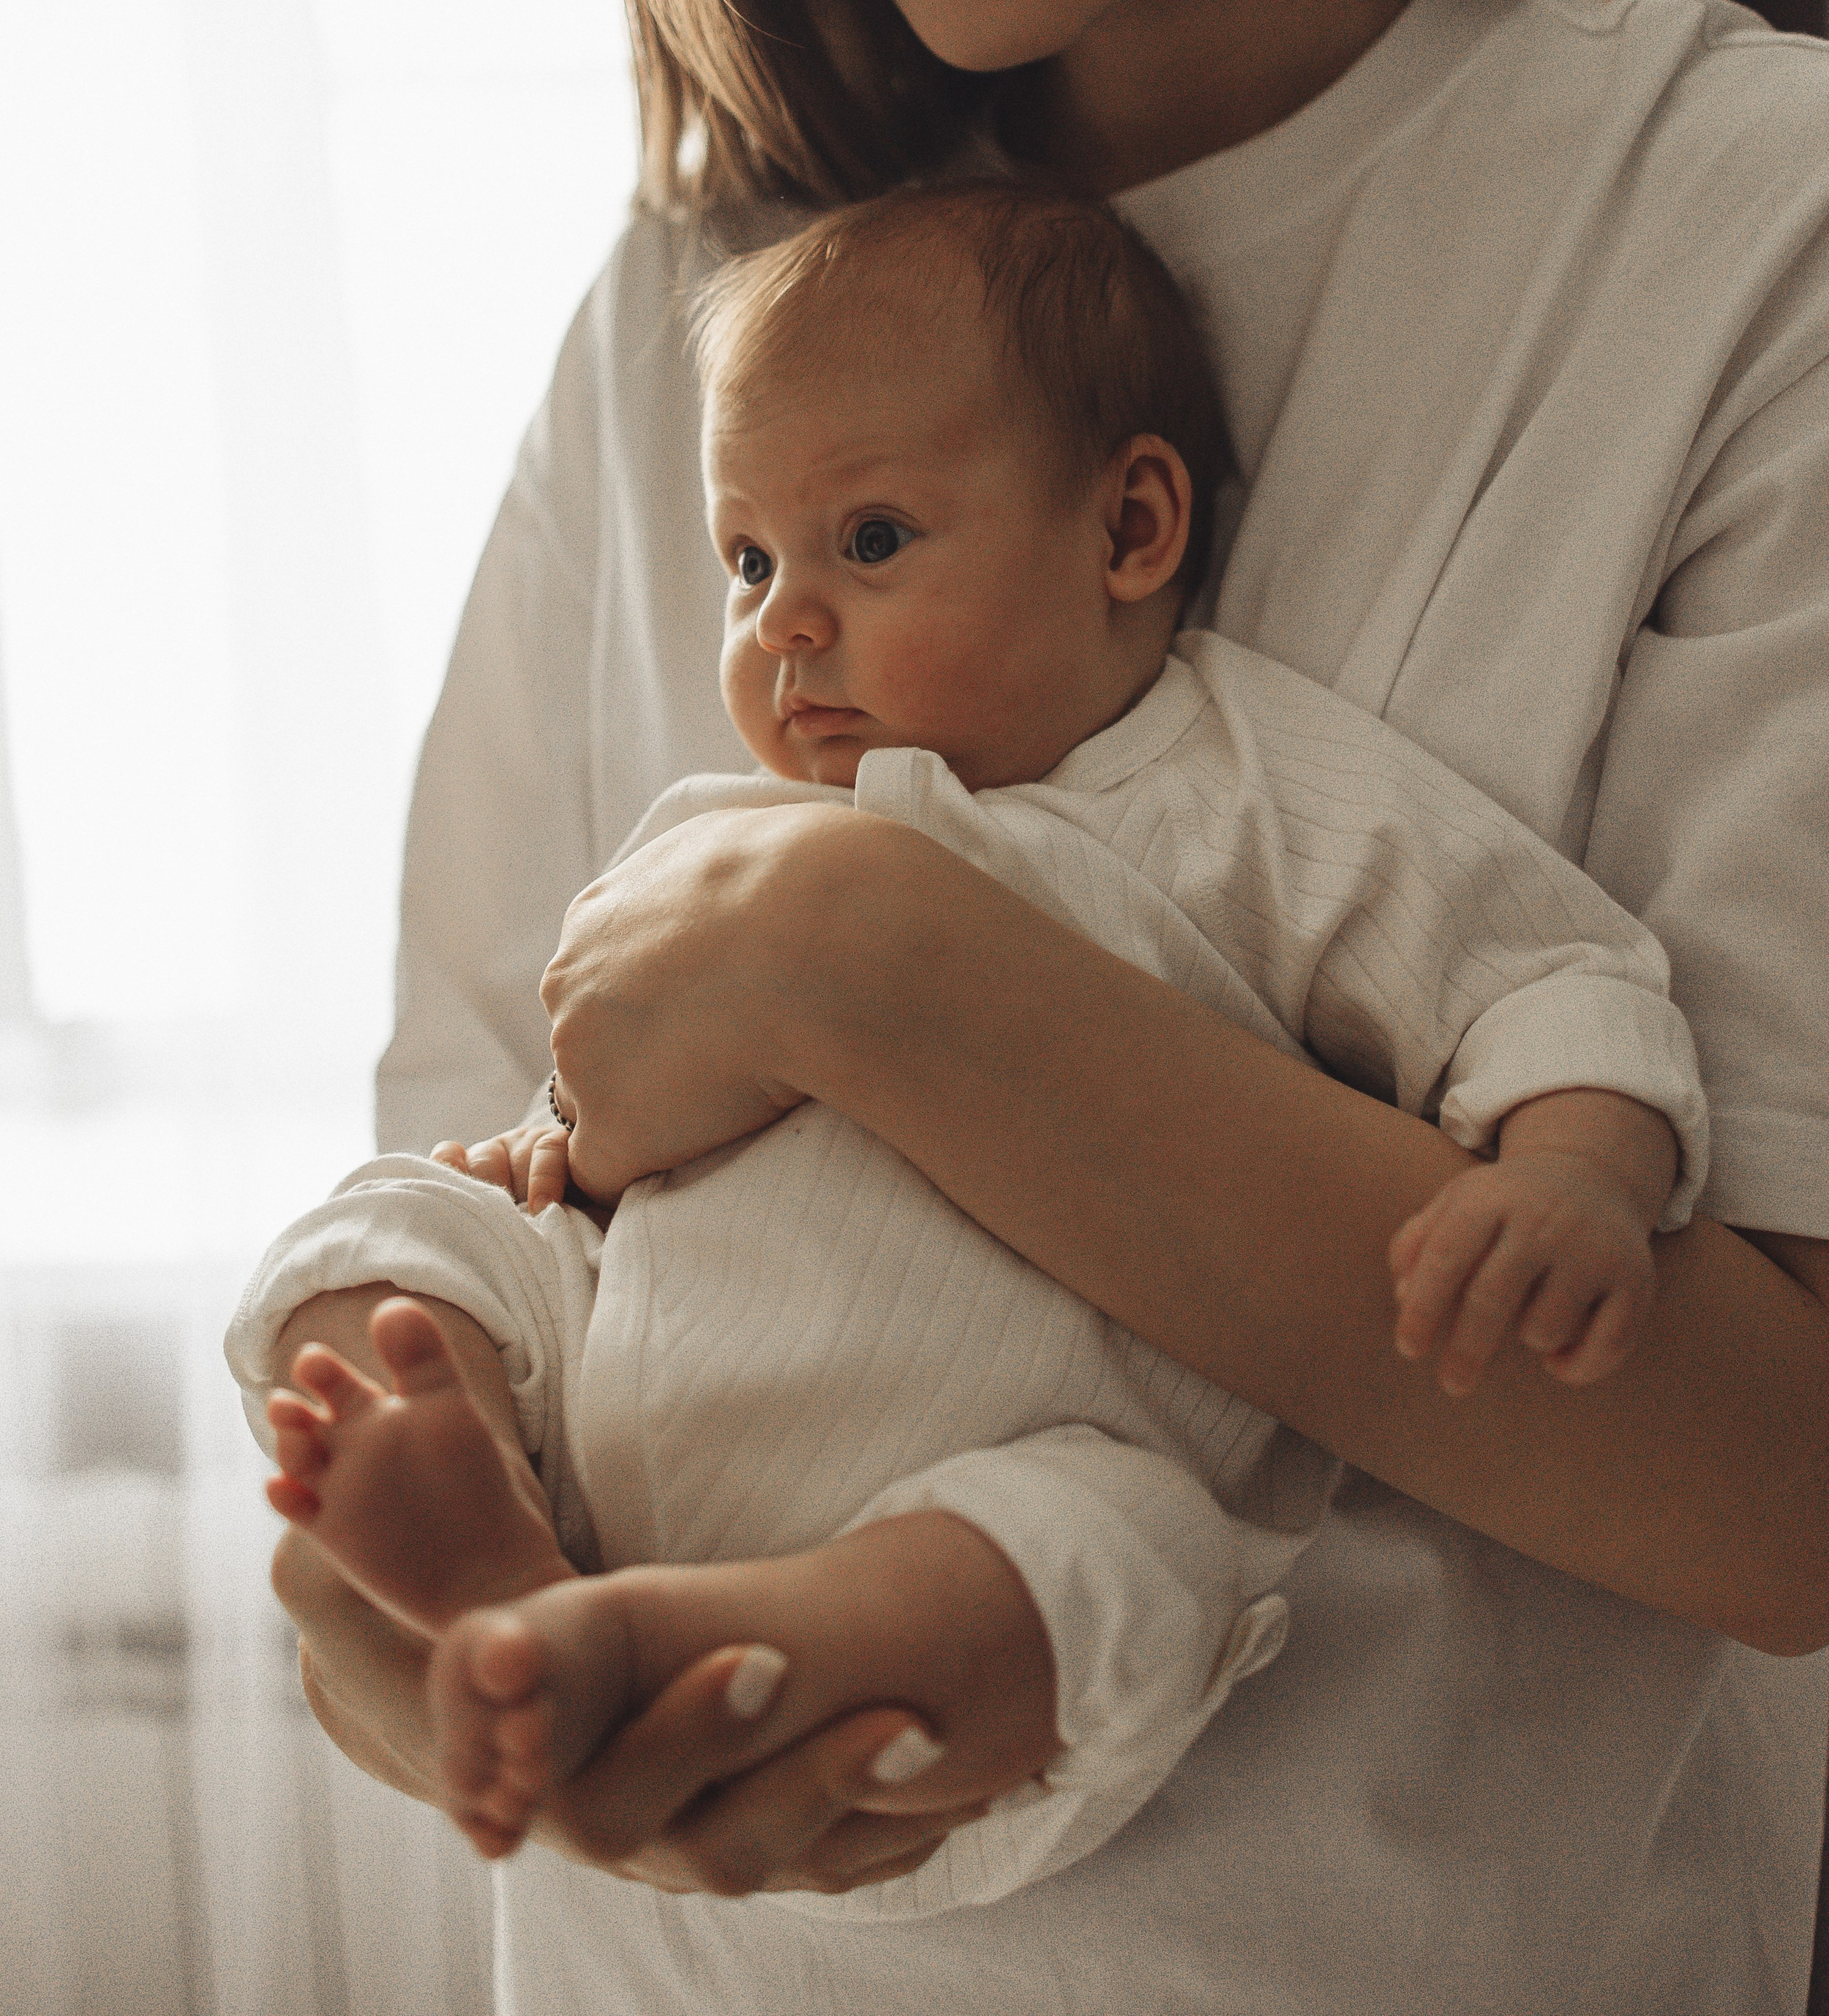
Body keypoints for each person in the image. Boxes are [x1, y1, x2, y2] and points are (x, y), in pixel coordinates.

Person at [265, 0, 1829, 2010]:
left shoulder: (1732, 240)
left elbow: (1782, 1494)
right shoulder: (701, 307)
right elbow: (489, 1208)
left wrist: (866, 956)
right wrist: (442, 1658)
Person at [230, 184, 1706, 1914]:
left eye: (866, 543)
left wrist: (1576, 1168)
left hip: (988, 1476)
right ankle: (482, 1525)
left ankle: (704, 1637)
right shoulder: (714, 830)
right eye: (747, 559)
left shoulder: (1240, 793)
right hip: (643, 1381)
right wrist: (538, 1158)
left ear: (1128, 528)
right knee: (392, 1236)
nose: (782, 620)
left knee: (1122, 1552)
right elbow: (590, 1116)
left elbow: (1544, 972)